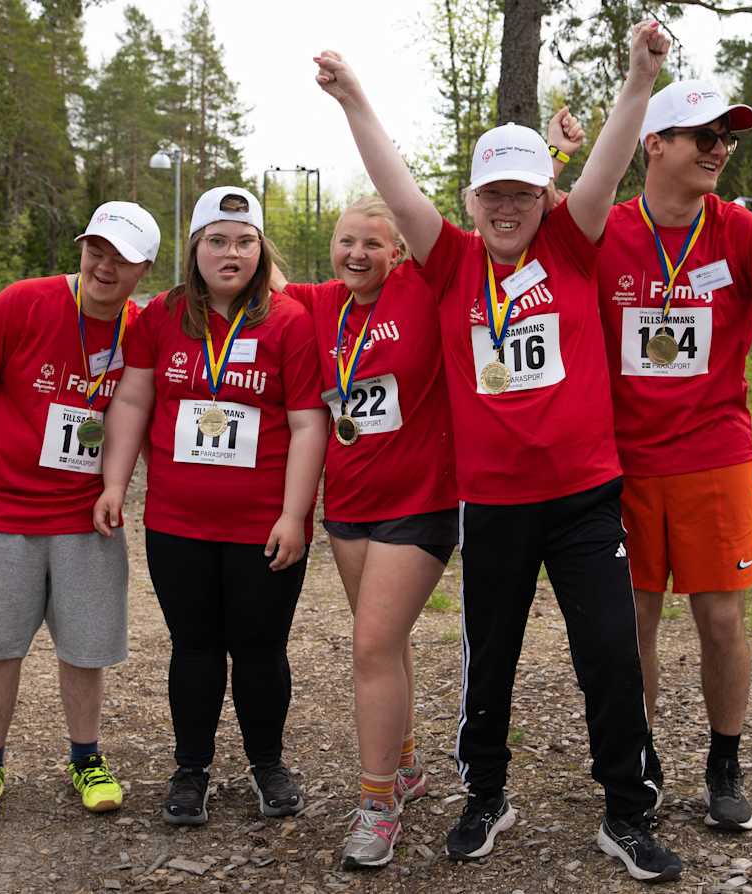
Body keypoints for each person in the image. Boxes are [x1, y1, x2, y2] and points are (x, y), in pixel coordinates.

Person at [314, 22, 684, 883]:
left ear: (543, 198)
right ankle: (485, 795)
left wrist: (638, 78)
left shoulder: (570, 244)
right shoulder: (447, 261)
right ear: (473, 199)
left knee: (610, 652)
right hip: (491, 501)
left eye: (522, 192)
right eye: (492, 194)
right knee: (492, 655)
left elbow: (606, 167)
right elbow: (392, 186)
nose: (507, 207)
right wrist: (354, 100)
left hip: (587, 495)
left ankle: (626, 813)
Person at [595, 79, 752, 832]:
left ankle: (723, 761)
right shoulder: (604, 228)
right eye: (702, 134)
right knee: (633, 619)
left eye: (726, 137)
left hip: (713, 456)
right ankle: (640, 758)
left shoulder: (740, 233)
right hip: (620, 460)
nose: (718, 149)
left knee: (720, 617)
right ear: (652, 144)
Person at [92, 186, 326, 827]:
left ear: (261, 248)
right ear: (194, 248)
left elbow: (308, 424)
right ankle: (191, 767)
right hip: (178, 523)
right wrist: (115, 482)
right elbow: (135, 402)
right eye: (217, 241)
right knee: (192, 648)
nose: (232, 253)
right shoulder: (161, 317)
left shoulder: (287, 320)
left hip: (262, 525)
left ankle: (267, 764)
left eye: (245, 241)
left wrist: (292, 514)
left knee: (260, 649)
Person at [0, 200, 160, 824]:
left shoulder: (139, 328)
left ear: (145, 269)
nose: (104, 267)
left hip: (84, 516)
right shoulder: (23, 301)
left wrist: (115, 488)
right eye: (96, 251)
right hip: (0, 509)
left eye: (122, 259)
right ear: (82, 247)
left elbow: (133, 414)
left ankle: (86, 757)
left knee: (86, 649)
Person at [273, 196, 456, 869]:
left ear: (398, 253)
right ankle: (404, 765)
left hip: (422, 497)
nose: (356, 254)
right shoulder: (320, 303)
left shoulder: (423, 286)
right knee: (388, 641)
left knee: (370, 644)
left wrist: (551, 162)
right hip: (348, 501)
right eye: (346, 241)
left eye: (372, 245)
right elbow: (243, 273)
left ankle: (377, 805)